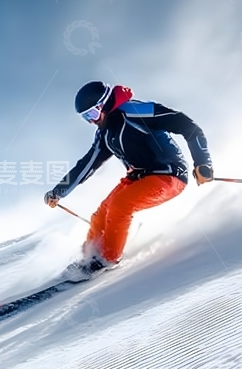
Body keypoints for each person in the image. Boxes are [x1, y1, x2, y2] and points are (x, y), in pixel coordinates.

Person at [44, 81, 213, 274]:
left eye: (92, 114)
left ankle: (107, 259)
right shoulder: (104, 134)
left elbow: (187, 125)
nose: (91, 121)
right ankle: (89, 258)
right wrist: (59, 190)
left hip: (169, 174)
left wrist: (202, 162)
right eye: (85, 118)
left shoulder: (135, 111)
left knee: (120, 205)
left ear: (105, 103)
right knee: (100, 215)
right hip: (138, 177)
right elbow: (87, 164)